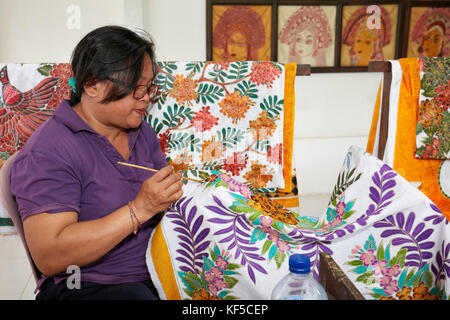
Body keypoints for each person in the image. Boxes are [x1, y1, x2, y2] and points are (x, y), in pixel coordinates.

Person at [10, 25, 184, 300]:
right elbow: (51, 255)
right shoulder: (49, 151)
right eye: (136, 88)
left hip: (154, 272)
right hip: (87, 285)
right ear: (92, 85)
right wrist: (138, 209)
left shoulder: (141, 131)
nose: (147, 98)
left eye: (149, 87)